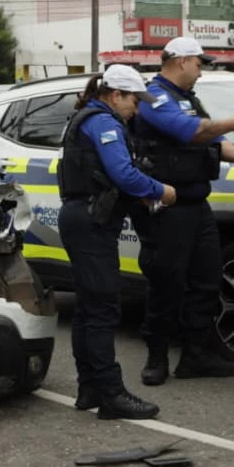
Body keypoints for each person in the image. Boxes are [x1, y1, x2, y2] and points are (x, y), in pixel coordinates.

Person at [130, 37, 234, 386]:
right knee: (166, 283)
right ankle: (156, 357)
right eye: (199, 64)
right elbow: (191, 131)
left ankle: (195, 355)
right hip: (166, 207)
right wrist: (231, 123)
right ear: (182, 60)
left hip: (197, 204)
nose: (201, 71)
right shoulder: (153, 96)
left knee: (206, 279)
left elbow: (213, 140)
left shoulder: (188, 99)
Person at [58, 64, 177, 420]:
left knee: (88, 310)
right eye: (133, 101)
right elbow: (123, 173)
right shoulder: (104, 122)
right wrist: (160, 191)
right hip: (91, 221)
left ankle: (90, 388)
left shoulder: (88, 117)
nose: (136, 109)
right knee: (102, 311)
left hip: (85, 218)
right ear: (115, 95)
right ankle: (111, 393)